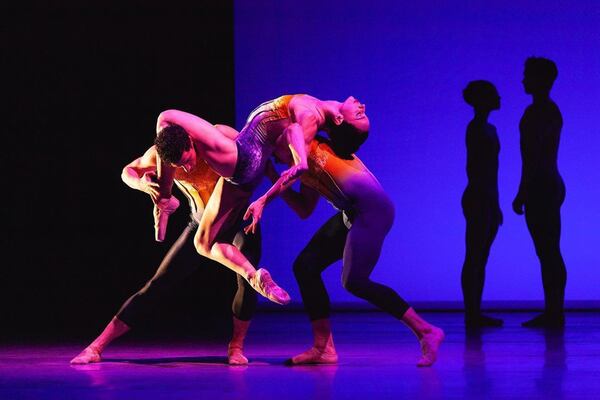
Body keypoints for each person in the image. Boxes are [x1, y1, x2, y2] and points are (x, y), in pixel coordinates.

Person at [152, 95, 369, 305]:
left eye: (360, 116)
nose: (363, 107)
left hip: (241, 156)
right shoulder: (314, 108)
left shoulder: (310, 115)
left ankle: (163, 199)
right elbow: (291, 134)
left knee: (165, 118)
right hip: (248, 161)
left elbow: (298, 157)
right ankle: (255, 277)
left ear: (340, 120)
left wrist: (266, 198)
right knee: (202, 243)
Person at [71, 127, 261, 365]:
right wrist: (143, 185)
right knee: (158, 283)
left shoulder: (217, 137)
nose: (187, 168)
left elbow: (256, 152)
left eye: (188, 160)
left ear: (191, 143)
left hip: (238, 219)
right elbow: (127, 171)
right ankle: (96, 347)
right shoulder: (160, 156)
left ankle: (236, 347)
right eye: (179, 166)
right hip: (200, 223)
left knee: (248, 280)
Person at [266, 134, 445, 367]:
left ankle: (426, 331)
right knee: (305, 266)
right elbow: (304, 209)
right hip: (351, 213)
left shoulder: (312, 143)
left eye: (276, 153)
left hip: (372, 211)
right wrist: (272, 176)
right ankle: (323, 348)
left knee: (354, 282)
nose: (279, 159)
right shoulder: (301, 168)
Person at [513, 57, 567, 328]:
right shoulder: (544, 111)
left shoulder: (541, 112)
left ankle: (554, 312)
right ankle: (554, 310)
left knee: (548, 251)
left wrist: (522, 191)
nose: (523, 80)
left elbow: (534, 157)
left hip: (542, 185)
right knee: (549, 251)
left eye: (527, 75)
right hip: (547, 184)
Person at [460, 80, 504, 328]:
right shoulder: (476, 128)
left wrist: (495, 202)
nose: (500, 97)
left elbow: (492, 170)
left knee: (480, 256)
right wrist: (489, 199)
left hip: (486, 196)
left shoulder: (488, 129)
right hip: (479, 196)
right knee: (475, 255)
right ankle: (472, 313)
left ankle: (475, 311)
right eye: (494, 94)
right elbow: (476, 169)